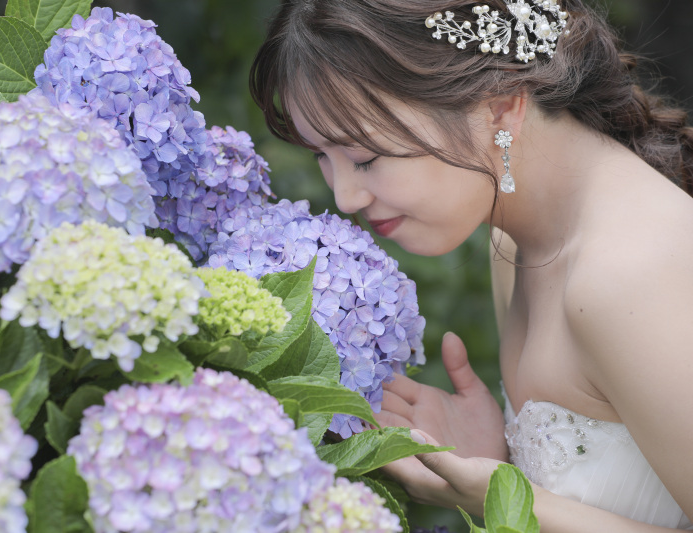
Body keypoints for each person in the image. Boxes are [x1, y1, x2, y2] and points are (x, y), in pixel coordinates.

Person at [250, 0, 693, 530]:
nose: (345, 197)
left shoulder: (629, 276)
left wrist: (508, 498)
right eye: (321, 155)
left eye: (365, 157)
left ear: (501, 109)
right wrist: (497, 457)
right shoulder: (514, 239)